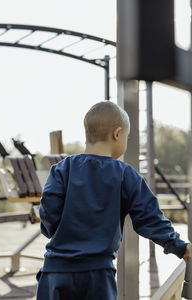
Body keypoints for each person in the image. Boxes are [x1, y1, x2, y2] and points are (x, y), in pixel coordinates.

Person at [36, 101, 190, 300]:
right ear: (117, 134)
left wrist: (54, 232)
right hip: (97, 274)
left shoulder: (61, 169)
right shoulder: (126, 175)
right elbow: (150, 219)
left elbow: (48, 212)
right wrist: (180, 247)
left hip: (55, 271)